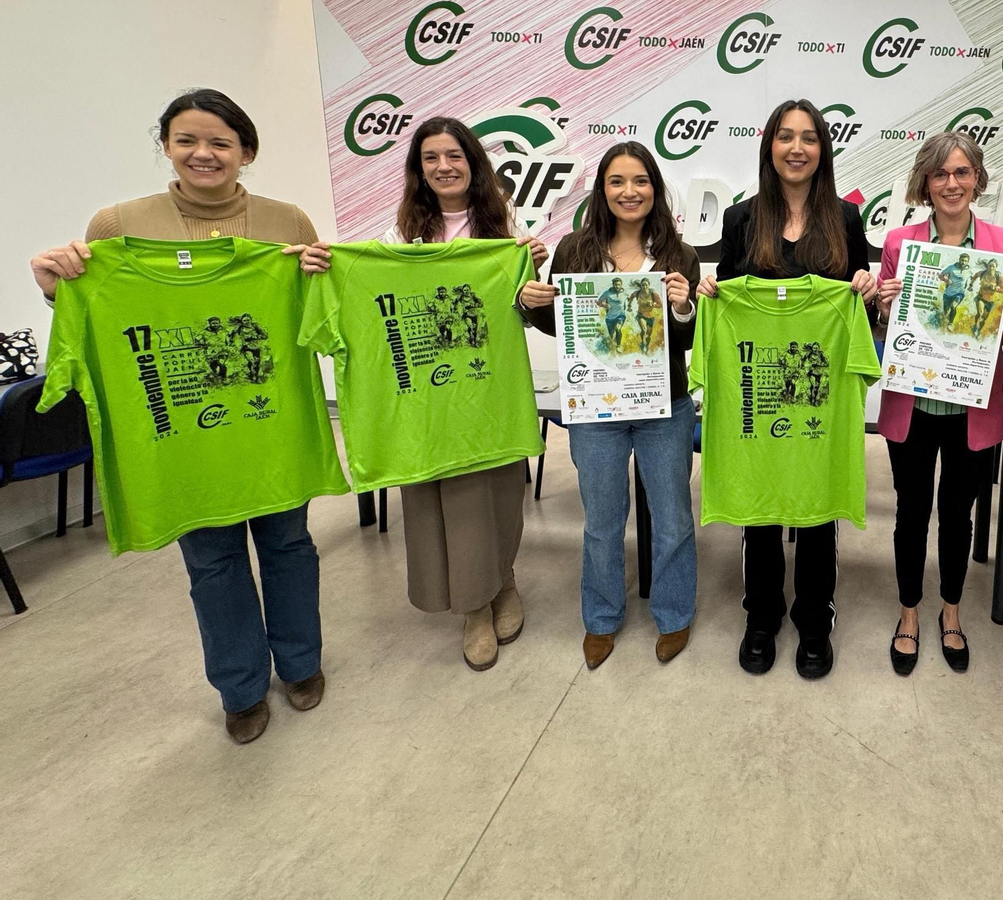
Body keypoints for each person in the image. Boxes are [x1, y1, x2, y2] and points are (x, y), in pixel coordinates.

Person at [28, 89, 332, 744]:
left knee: (288, 544)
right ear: (166, 145)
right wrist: (59, 293)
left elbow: (318, 312)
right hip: (181, 436)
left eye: (221, 142)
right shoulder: (116, 226)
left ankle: (302, 664)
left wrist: (318, 275)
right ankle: (241, 688)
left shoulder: (287, 223)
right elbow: (104, 320)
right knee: (213, 561)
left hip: (270, 423)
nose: (204, 154)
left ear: (245, 152)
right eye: (187, 139)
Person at [697, 99, 877, 680]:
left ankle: (815, 620)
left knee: (817, 502)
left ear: (823, 149)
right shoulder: (741, 219)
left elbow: (857, 313)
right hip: (759, 387)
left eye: (808, 138)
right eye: (785, 137)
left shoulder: (846, 221)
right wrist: (709, 297)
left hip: (818, 391)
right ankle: (761, 615)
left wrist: (865, 291)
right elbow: (729, 302)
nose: (796, 148)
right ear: (769, 146)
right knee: (761, 503)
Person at [368, 116, 548, 672]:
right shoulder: (399, 238)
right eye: (430, 158)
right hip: (427, 397)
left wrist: (530, 289)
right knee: (439, 499)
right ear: (418, 170)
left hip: (490, 389)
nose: (443, 167)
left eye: (454, 156)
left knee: (496, 491)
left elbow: (514, 314)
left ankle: (503, 581)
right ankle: (473, 607)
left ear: (473, 163)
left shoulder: (504, 231)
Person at [524, 142, 699, 669]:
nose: (630, 191)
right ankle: (601, 618)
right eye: (618, 181)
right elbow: (563, 325)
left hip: (661, 404)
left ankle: (673, 614)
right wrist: (532, 305)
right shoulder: (575, 249)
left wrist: (683, 306)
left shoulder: (677, 254)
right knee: (602, 519)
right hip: (595, 409)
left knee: (671, 517)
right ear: (602, 190)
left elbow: (687, 339)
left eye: (641, 181)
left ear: (655, 189)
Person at [875, 130, 1003, 676]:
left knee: (958, 517)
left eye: (961, 172)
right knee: (911, 512)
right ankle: (909, 613)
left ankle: (950, 611)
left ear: (977, 180)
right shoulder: (900, 244)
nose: (951, 183)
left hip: (972, 408)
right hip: (914, 407)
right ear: (925, 181)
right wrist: (884, 306)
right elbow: (884, 331)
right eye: (940, 173)